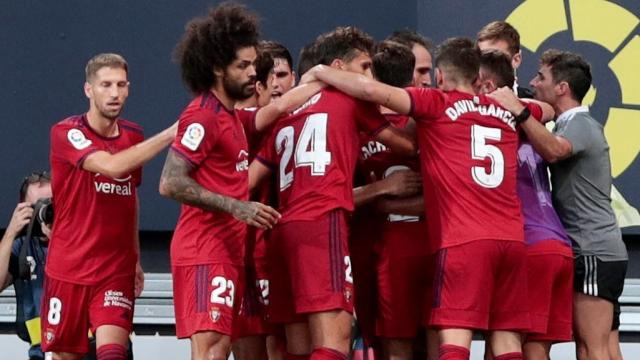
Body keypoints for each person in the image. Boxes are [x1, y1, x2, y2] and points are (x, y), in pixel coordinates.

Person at [302, 37, 550, 360]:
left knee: (454, 341)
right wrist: (518, 105)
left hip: (464, 240)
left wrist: (320, 71)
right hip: (512, 240)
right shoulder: (505, 108)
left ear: (441, 78)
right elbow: (548, 108)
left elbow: (369, 91)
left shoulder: (436, 103)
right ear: (478, 79)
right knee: (507, 343)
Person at [158, 4, 323, 359]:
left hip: (226, 252)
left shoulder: (230, 115)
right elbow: (170, 182)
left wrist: (321, 78)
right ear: (217, 68)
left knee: (221, 348)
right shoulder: (202, 115)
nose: (253, 73)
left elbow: (275, 109)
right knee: (212, 350)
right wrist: (236, 205)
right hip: (204, 250)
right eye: (243, 66)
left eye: (253, 64)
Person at [249, 26, 417, 360]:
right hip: (323, 225)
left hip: (283, 231)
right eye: (365, 67)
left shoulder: (284, 113)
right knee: (334, 342)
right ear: (338, 68)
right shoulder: (349, 100)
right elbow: (407, 145)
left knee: (297, 346)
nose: (370, 76)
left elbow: (247, 180)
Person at [489, 49, 628, 360]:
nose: (534, 83)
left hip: (592, 251)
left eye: (541, 78)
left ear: (562, 88)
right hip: (597, 250)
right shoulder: (570, 124)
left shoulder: (580, 124)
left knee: (592, 348)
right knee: (598, 347)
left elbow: (554, 150)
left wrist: (520, 111)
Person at [42, 52, 177, 360]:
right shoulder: (66, 132)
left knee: (113, 353)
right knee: (65, 355)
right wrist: (171, 133)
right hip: (68, 267)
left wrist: (136, 258)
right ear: (89, 90)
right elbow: (113, 167)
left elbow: (129, 196)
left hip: (114, 269)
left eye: (121, 85)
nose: (115, 93)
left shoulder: (134, 136)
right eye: (105, 85)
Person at [478, 50, 573, 359]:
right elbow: (548, 110)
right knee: (534, 351)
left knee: (502, 346)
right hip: (558, 246)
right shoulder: (529, 121)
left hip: (527, 244)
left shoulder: (480, 125)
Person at [351, 40, 429, 360]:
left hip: (384, 253)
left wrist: (379, 202)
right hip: (421, 247)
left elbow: (329, 195)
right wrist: (385, 192)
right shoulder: (431, 123)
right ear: (412, 78)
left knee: (391, 348)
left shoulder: (355, 126)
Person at [0, 172, 52, 360]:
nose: (45, 211)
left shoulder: (80, 238)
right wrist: (11, 232)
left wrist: (61, 240)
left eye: (51, 203)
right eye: (39, 205)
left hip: (83, 349)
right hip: (40, 352)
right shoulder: (22, 245)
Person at [476, 21, 533, 98]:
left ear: (516, 60)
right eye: (482, 58)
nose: (487, 64)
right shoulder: (464, 103)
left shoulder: (534, 103)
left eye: (496, 59)